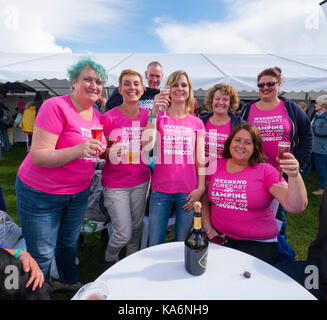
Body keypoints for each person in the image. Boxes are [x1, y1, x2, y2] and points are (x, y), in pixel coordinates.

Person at [15, 58, 108, 284]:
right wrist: (78, 150)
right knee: (42, 254)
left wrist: (106, 151)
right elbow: (38, 155)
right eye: (87, 79)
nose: (94, 85)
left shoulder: (94, 113)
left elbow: (96, 147)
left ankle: (69, 284)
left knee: (68, 244)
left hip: (78, 193)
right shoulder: (56, 106)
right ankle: (39, 294)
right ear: (74, 81)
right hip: (41, 193)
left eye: (98, 81)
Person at [201, 123, 308, 265]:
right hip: (220, 238)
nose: (241, 145)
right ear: (230, 142)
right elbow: (204, 199)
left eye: (248, 142)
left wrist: (294, 176)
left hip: (258, 245)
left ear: (255, 148)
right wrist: (208, 229)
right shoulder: (216, 166)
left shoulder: (265, 171)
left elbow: (295, 206)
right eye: (237, 140)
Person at [239, 67, 313, 234]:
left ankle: (279, 246)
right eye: (261, 85)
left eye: (270, 84)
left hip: (282, 172)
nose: (265, 88)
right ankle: (254, 239)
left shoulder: (291, 108)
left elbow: (308, 134)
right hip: (254, 169)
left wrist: (299, 163)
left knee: (279, 213)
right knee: (252, 206)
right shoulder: (248, 109)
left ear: (279, 84)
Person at [142, 70, 206, 246]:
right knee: (155, 242)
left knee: (182, 242)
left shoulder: (196, 122)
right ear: (168, 90)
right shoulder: (159, 118)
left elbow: (200, 158)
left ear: (189, 90)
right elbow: (146, 145)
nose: (179, 89)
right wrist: (154, 112)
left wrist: (200, 187)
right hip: (160, 190)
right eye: (175, 85)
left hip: (188, 191)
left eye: (184, 85)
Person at [101, 69, 151, 269]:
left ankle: (130, 263)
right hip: (115, 184)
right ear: (120, 89)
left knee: (137, 228)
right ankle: (108, 259)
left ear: (142, 89)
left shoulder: (149, 116)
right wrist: (109, 153)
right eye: (127, 84)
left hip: (141, 180)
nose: (132, 88)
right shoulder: (109, 117)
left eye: (136, 84)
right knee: (123, 233)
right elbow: (99, 151)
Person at [200, 83, 241, 176]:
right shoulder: (201, 122)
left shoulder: (238, 124)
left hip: (226, 177)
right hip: (201, 177)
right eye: (217, 99)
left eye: (225, 99)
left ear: (231, 102)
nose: (221, 102)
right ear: (211, 101)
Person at [311, 95, 327, 196]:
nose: (315, 105)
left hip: (321, 148)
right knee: (306, 166)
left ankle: (323, 188)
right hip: (313, 146)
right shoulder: (317, 114)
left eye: (317, 103)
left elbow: (323, 131)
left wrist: (312, 128)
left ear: (323, 105)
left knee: (320, 168)